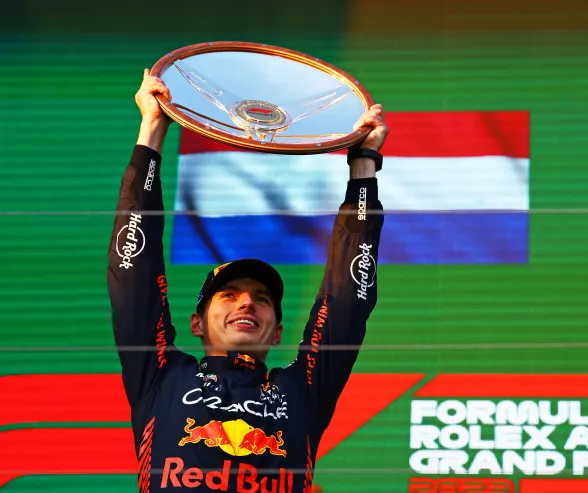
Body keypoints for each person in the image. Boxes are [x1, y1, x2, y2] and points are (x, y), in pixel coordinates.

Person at [108, 69, 387, 493]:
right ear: (197, 322)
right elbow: (134, 276)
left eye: (261, 298)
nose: (246, 303)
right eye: (228, 294)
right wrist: (152, 131)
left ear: (277, 333)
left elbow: (347, 302)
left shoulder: (302, 391)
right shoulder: (161, 373)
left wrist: (364, 165)